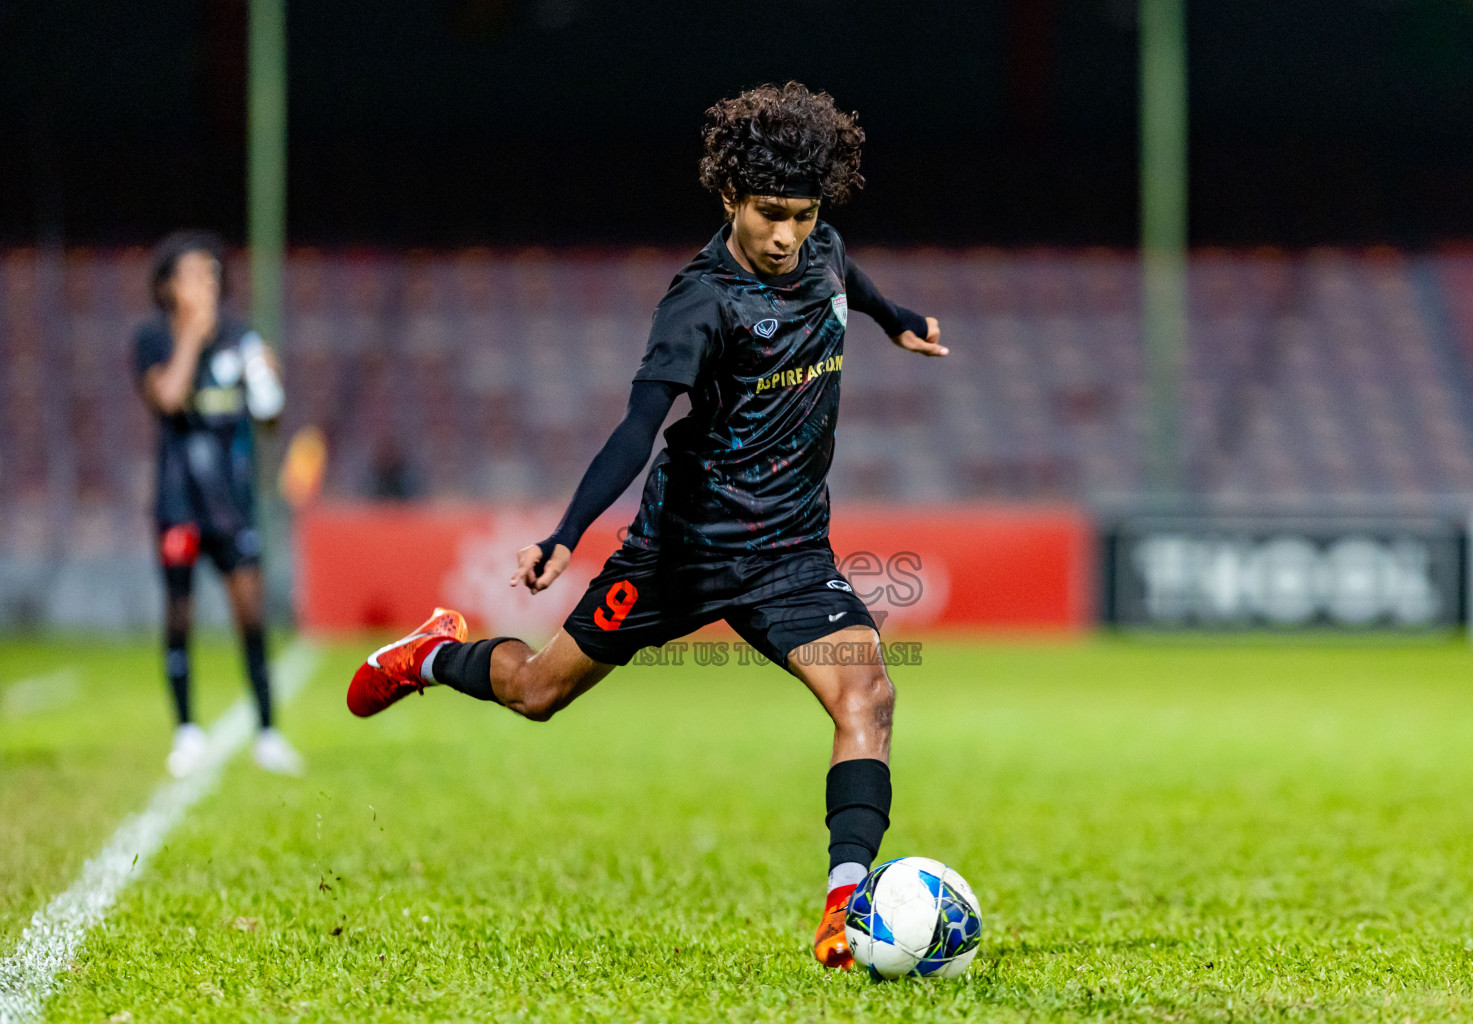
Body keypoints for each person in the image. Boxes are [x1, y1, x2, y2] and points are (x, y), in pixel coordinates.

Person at [347, 83, 947, 968]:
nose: (788, 236)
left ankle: (845, 911)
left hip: (788, 551)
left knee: (869, 697)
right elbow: (638, 426)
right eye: (771, 215)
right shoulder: (699, 304)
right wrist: (566, 532)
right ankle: (434, 654)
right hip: (681, 552)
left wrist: (893, 320)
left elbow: (841, 279)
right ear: (730, 199)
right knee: (537, 694)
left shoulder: (819, 248)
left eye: (804, 215)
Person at [133, 231, 305, 777]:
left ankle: (269, 732)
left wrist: (272, 381)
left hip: (232, 501)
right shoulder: (153, 339)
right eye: (192, 275)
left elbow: (271, 416)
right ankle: (185, 729)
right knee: (179, 613)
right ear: (167, 287)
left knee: (252, 616)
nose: (206, 284)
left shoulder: (241, 337)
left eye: (211, 274)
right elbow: (167, 397)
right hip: (178, 500)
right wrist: (191, 336)